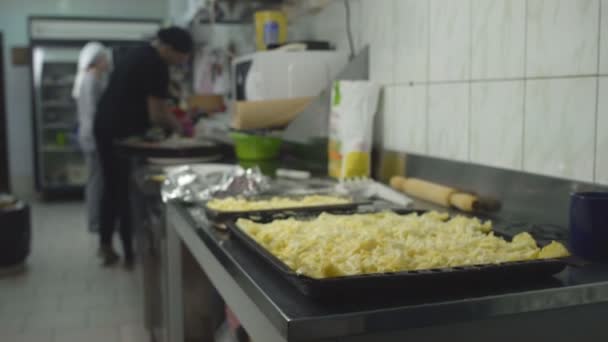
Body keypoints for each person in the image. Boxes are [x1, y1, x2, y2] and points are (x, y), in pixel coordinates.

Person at [94, 27, 193, 267]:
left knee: (111, 186)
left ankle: (107, 245)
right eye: (182, 56)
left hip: (106, 126)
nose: (182, 62)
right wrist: (182, 130)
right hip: (119, 133)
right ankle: (129, 252)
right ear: (168, 48)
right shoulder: (156, 64)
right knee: (123, 189)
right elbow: (157, 113)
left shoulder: (139, 52)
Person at [72, 42, 111, 234]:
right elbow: (92, 113)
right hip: (92, 137)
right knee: (96, 180)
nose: (108, 62)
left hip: (93, 135)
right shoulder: (89, 80)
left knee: (98, 179)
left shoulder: (96, 78)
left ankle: (97, 219)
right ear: (97, 61)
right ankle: (94, 221)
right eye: (105, 59)